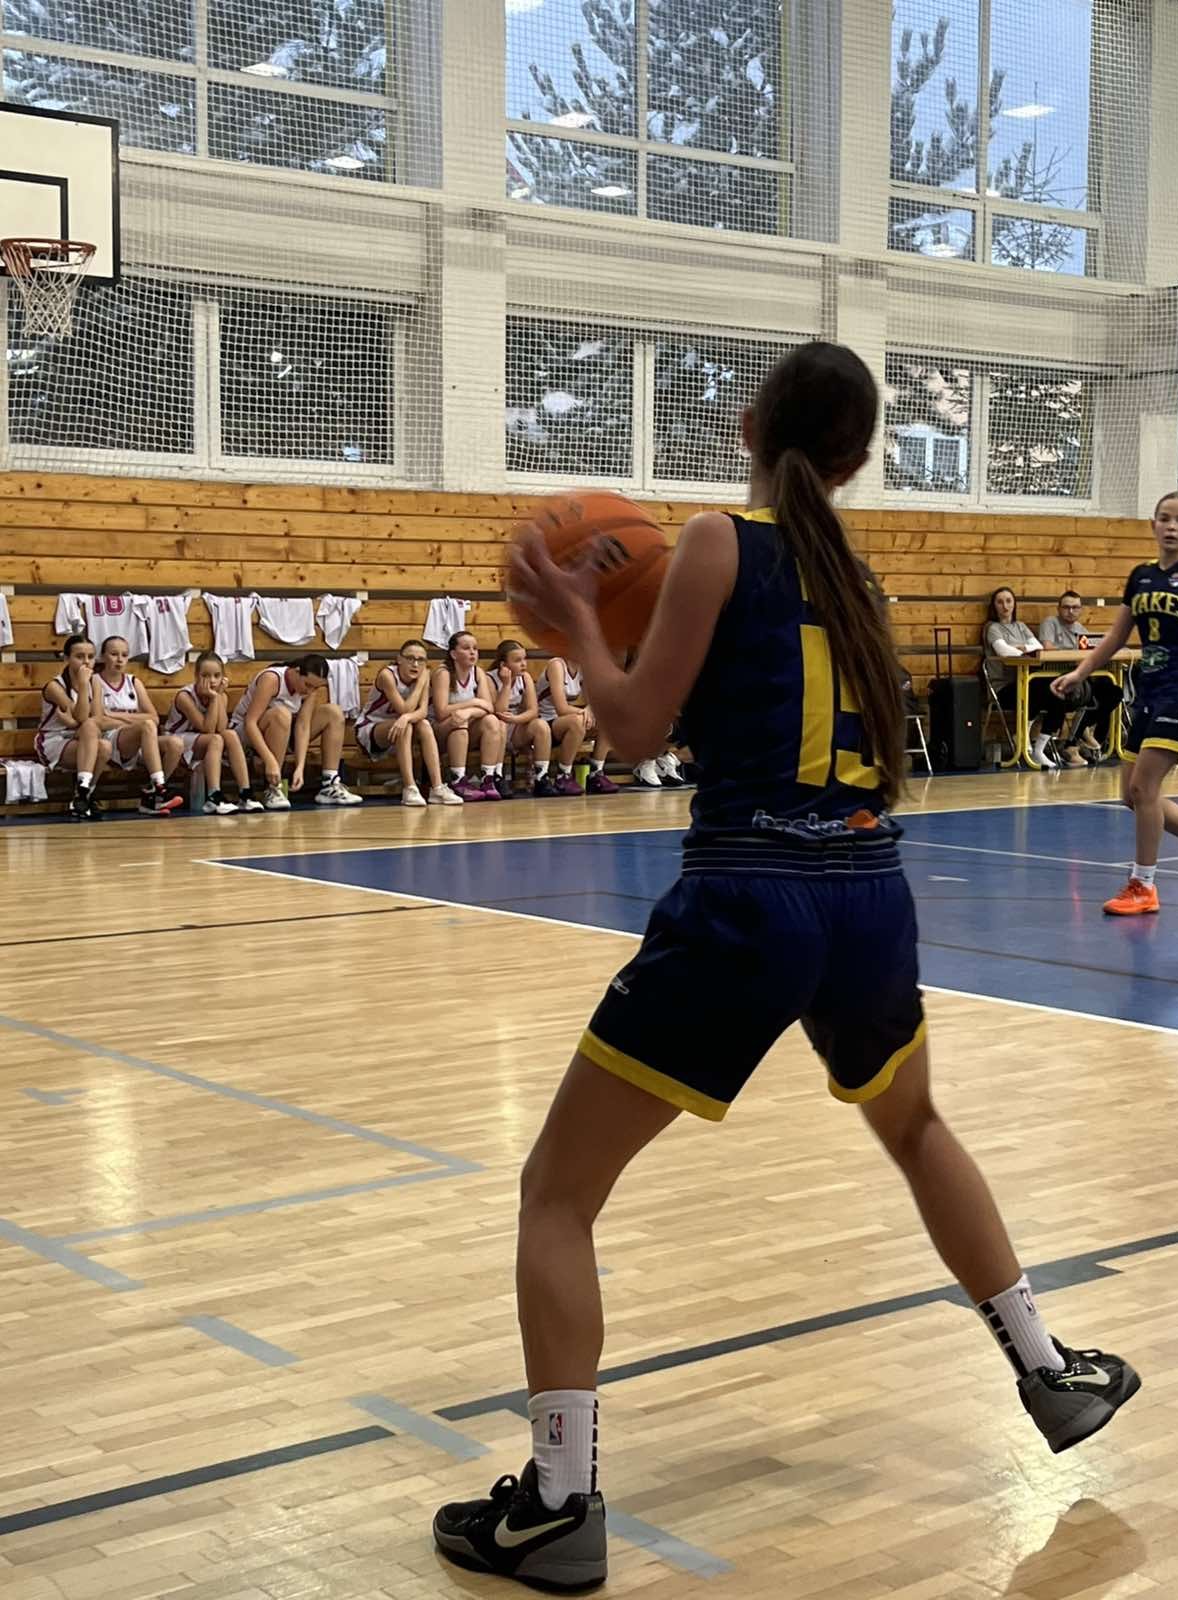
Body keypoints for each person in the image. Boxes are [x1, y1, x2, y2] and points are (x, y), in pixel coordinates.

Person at [432, 342, 1138, 1589]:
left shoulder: (717, 540)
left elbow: (633, 729)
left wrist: (585, 622)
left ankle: (556, 1501)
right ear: (858, 459)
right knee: (916, 1127)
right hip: (868, 891)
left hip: (751, 896)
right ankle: (1049, 1368)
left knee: (557, 1193)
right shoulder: (855, 575)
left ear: (749, 426)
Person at [1053, 490, 1178, 915]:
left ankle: (1143, 885)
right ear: (1153, 524)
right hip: (1150, 691)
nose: (1171, 526)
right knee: (1131, 796)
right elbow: (1117, 636)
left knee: (1144, 787)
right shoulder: (1141, 576)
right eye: (1165, 518)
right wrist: (1080, 672)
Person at [229, 655, 362, 810]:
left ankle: (329, 784)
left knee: (334, 712)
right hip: (244, 736)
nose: (310, 690)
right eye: (308, 685)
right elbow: (250, 723)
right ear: (297, 671)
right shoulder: (272, 678)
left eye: (315, 688)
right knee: (281, 714)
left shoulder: (310, 689)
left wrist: (300, 767)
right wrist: (270, 760)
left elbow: (303, 726)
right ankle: (273, 787)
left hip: (282, 735)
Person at [355, 640, 462, 807]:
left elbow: (423, 712)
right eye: (410, 658)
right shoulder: (387, 675)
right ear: (399, 659)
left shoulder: (423, 675)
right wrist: (420, 685)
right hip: (372, 729)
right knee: (406, 726)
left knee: (424, 725)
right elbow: (405, 709)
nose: (416, 664)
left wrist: (405, 718)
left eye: (421, 660)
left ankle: (437, 788)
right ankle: (410, 788)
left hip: (403, 726)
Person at [92, 635, 184, 814]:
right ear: (103, 656)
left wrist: (116, 714)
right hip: (110, 740)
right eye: (114, 654)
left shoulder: (133, 681)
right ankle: (160, 788)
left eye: (124, 655)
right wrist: (135, 718)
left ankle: (151, 795)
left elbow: (154, 718)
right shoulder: (95, 681)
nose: (119, 659)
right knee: (146, 726)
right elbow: (99, 720)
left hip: (139, 740)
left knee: (175, 744)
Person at [981, 589, 1071, 769]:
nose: (1005, 606)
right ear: (994, 606)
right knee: (1039, 688)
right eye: (1000, 602)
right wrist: (1023, 648)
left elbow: (1037, 647)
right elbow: (1004, 651)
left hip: (1026, 682)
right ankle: (1022, 735)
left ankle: (1039, 748)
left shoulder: (1021, 626)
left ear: (1014, 604)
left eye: (1009, 601)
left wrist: (1022, 648)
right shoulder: (992, 628)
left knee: (1058, 689)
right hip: (1004, 688)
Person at [165, 652, 263, 814]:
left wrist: (218, 698)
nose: (212, 680)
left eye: (217, 676)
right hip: (177, 740)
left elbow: (222, 728)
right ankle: (213, 797)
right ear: (196, 676)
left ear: (223, 677)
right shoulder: (185, 696)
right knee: (215, 739)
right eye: (205, 675)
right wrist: (214, 698)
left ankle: (245, 794)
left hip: (201, 741)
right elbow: (208, 729)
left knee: (230, 735)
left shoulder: (220, 696)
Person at [35, 634, 112, 821]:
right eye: (79, 656)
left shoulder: (96, 682)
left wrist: (75, 724)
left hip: (83, 738)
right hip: (54, 740)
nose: (86, 662)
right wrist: (84, 685)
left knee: (105, 746)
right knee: (91, 729)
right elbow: (82, 716)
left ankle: (83, 794)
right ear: (66, 658)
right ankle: (84, 794)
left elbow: (97, 719)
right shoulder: (54, 687)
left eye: (90, 657)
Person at [1038, 591, 1122, 760]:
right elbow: (1047, 648)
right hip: (1056, 679)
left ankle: (1082, 736)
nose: (1071, 611)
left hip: (1080, 677)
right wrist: (1074, 655)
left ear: (1081, 610)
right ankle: (1074, 742)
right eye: (1066, 607)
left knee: (1113, 691)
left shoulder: (1081, 630)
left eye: (1075, 607)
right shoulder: (1050, 623)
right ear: (1059, 609)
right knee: (1085, 693)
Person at [431, 630, 504, 800]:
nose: (472, 652)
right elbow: (441, 712)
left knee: (492, 721)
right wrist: (473, 703)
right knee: (460, 721)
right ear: (453, 654)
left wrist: (469, 711)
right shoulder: (443, 673)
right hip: (437, 731)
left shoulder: (478, 672)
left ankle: (488, 779)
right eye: (466, 648)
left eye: (475, 648)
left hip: (463, 728)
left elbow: (488, 707)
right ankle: (457, 780)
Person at [488, 640, 556, 797]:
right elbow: (498, 711)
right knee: (499, 723)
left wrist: (515, 719)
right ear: (503, 664)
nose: (524, 664)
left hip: (515, 727)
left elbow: (533, 711)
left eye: (524, 659)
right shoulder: (489, 679)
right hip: (494, 731)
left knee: (541, 725)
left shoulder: (525, 678)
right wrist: (506, 685)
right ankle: (497, 777)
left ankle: (541, 777)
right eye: (517, 660)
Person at [534, 658, 610, 795]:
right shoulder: (557, 665)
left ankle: (596, 774)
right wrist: (585, 712)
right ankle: (563, 776)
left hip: (564, 720)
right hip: (544, 722)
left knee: (607, 721)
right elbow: (561, 708)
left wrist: (591, 709)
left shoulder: (583, 667)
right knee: (577, 722)